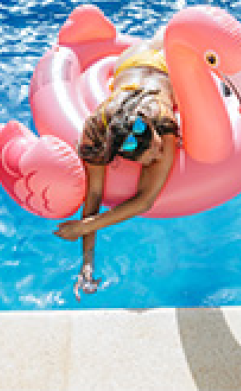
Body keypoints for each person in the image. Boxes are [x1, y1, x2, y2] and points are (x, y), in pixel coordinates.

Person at [53, 31, 179, 301]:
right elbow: (94, 195)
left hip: (164, 67)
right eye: (153, 156)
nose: (161, 154)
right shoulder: (96, 130)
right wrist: (87, 261)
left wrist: (82, 227)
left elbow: (145, 201)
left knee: (167, 38)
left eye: (158, 148)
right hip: (131, 63)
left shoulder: (163, 121)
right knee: (159, 38)